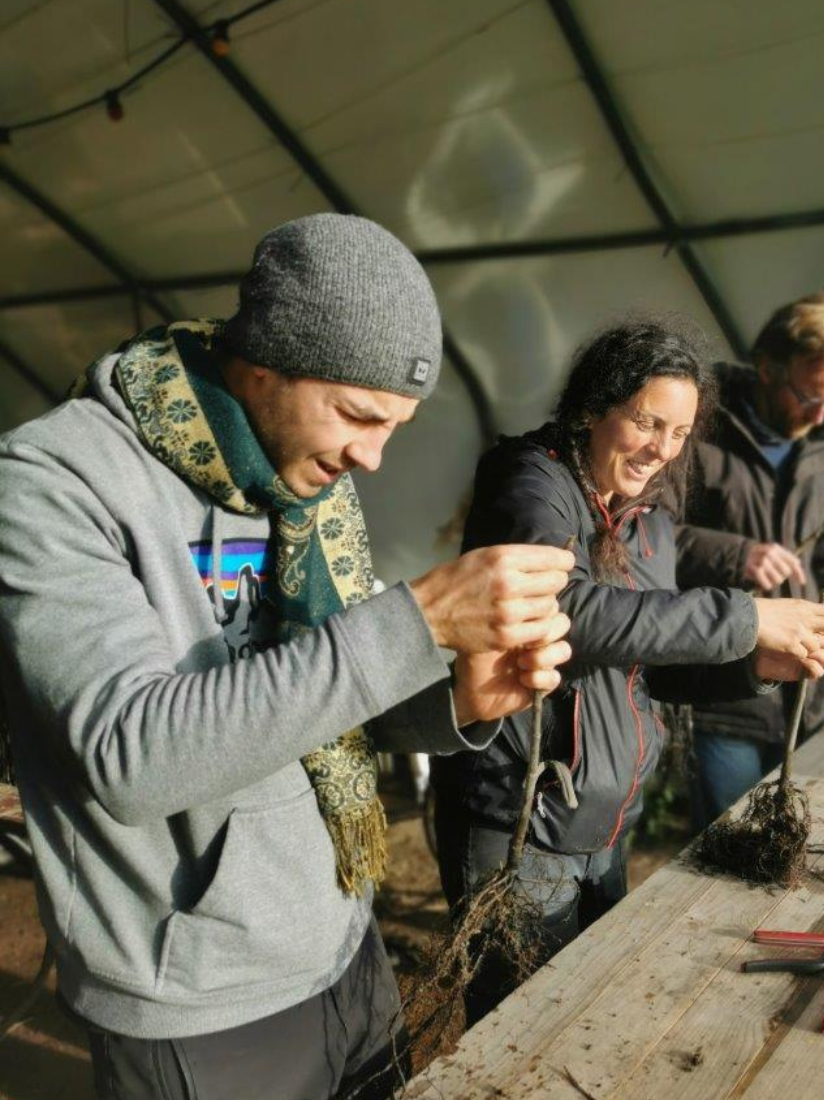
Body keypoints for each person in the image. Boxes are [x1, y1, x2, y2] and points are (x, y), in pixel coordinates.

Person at [0, 214, 575, 1100]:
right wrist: (415, 622)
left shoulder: (300, 487)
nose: (372, 458)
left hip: (345, 946)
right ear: (261, 365)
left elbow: (314, 704)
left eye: (397, 426)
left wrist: (453, 699)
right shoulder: (52, 482)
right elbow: (131, 756)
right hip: (198, 998)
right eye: (357, 415)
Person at [430, 316, 824, 1026]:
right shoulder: (531, 481)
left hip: (609, 823)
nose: (661, 448)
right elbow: (565, 609)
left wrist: (755, 664)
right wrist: (746, 617)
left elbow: (651, 667)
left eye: (678, 432)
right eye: (645, 421)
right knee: (520, 1029)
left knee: (585, 1016)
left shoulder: (651, 520)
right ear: (595, 405)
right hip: (522, 821)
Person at [673, 292, 824, 828]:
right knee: (730, 848)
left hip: (808, 696)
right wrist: (737, 553)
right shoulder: (698, 424)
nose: (820, 415)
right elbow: (647, 538)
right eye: (809, 396)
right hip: (724, 694)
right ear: (768, 368)